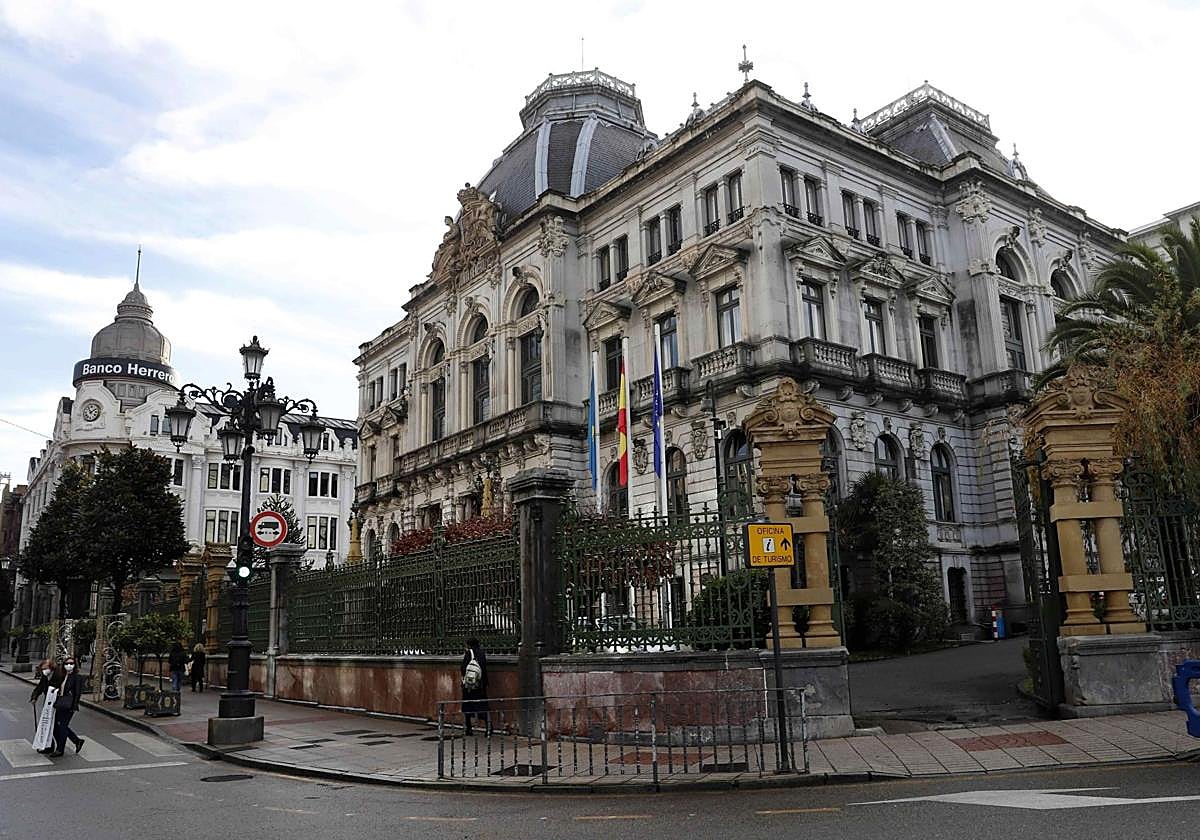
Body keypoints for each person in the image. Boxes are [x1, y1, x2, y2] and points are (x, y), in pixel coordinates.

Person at [50, 655, 84, 757]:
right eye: (67, 663)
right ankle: (77, 741)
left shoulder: (77, 677)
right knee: (56, 726)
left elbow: (77, 693)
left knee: (63, 726)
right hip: (60, 704)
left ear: (75, 665)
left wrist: (74, 706)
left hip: (69, 705)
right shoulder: (62, 676)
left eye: (71, 663)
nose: (69, 665)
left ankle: (60, 749)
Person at [459, 637, 490, 736]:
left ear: (468, 645)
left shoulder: (469, 653)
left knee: (468, 706)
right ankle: (489, 728)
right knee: (482, 706)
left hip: (470, 686)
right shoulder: (482, 653)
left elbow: (463, 668)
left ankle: (469, 728)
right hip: (480, 685)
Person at [30, 659, 59, 754]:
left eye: (45, 668)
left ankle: (56, 746)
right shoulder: (45, 676)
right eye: (42, 669)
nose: (44, 670)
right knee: (47, 724)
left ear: (51, 668)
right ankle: (48, 746)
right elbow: (39, 687)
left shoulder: (58, 675)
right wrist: (34, 697)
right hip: (48, 702)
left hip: (57, 702)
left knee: (54, 725)